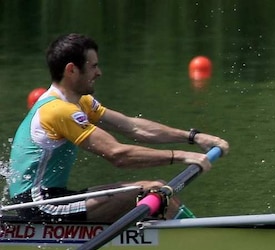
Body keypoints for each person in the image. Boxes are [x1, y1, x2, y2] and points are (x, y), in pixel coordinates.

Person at [7, 33, 230, 223]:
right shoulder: (58, 110)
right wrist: (182, 156)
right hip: (40, 206)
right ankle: (199, 237)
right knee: (152, 190)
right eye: (93, 66)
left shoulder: (79, 102)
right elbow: (118, 155)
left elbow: (132, 127)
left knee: (157, 188)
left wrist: (193, 137)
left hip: (55, 197)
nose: (99, 72)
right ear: (71, 70)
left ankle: (184, 234)